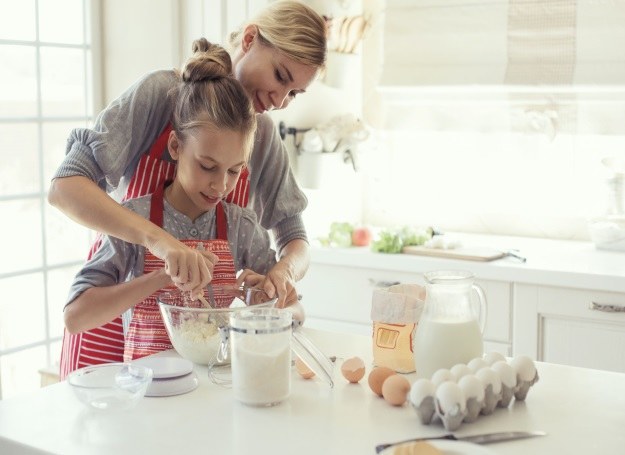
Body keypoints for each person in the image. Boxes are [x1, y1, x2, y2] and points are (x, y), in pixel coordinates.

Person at [49, 1, 326, 377]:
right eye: (280, 76)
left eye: (294, 93)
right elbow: (65, 187)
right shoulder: (164, 93)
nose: (279, 101)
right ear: (249, 39)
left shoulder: (261, 136)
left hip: (197, 351)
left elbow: (294, 238)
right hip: (115, 308)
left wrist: (283, 275)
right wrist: (160, 243)